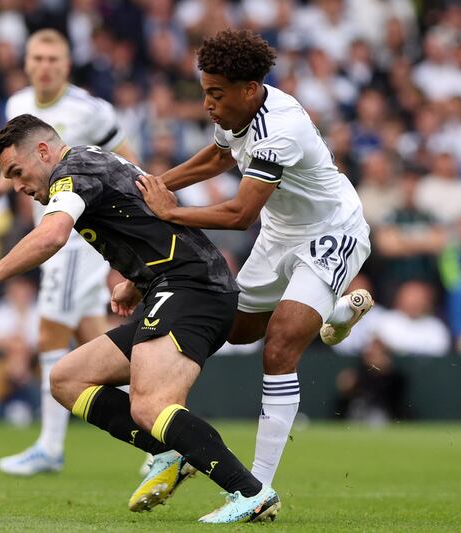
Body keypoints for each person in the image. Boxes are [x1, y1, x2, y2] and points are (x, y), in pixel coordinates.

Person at [0, 115, 280, 523]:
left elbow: (52, 236)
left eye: (17, 171)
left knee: (152, 405)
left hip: (193, 287)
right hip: (171, 284)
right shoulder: (91, 159)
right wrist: (138, 279)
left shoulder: (71, 174)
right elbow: (143, 216)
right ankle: (168, 452)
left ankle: (251, 493)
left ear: (44, 152)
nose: (17, 186)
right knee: (67, 379)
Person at [137, 29, 373, 492]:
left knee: (280, 348)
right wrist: (155, 184)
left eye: (215, 94)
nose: (207, 104)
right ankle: (337, 313)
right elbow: (218, 158)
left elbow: (239, 213)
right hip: (279, 234)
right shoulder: (237, 108)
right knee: (236, 329)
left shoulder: (279, 128)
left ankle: (256, 488)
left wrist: (169, 210)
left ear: (248, 90)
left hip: (332, 232)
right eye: (205, 91)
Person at [0, 29, 141, 477]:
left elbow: (129, 160)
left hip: (77, 237)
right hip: (50, 229)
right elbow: (17, 161)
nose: (45, 65)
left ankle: (50, 446)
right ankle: (158, 425)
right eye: (38, 57)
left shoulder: (91, 110)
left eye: (54, 57)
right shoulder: (16, 105)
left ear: (66, 64)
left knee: (51, 332)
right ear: (27, 63)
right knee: (96, 340)